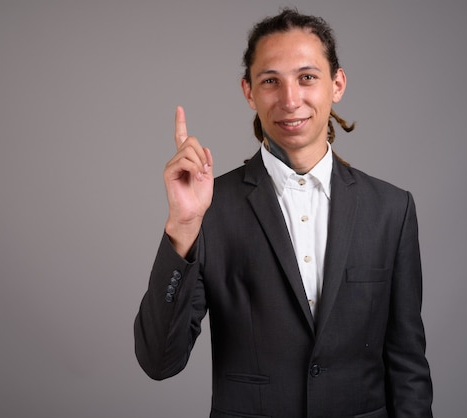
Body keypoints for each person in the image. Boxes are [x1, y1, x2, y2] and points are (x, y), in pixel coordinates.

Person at [134, 8, 433, 418]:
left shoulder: (391, 209)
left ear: (337, 84)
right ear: (248, 91)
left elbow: (408, 366)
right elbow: (159, 362)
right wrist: (183, 226)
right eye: (271, 81)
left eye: (307, 77)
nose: (290, 100)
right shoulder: (210, 208)